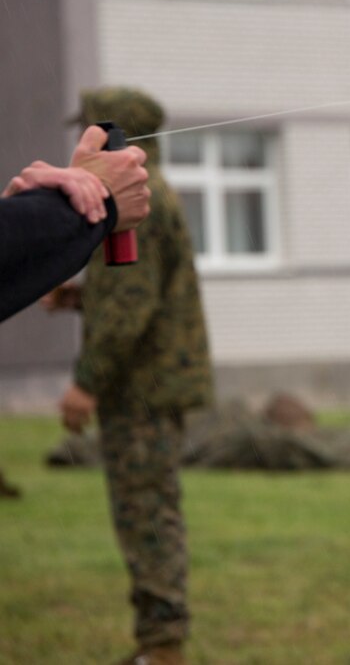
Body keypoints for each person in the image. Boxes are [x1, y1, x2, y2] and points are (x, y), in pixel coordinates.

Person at [56, 87, 213, 665]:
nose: (81, 144)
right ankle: (159, 643)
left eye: (93, 133)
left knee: (145, 512)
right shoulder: (151, 196)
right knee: (149, 506)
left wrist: (85, 384)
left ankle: (162, 648)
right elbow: (130, 291)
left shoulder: (135, 207)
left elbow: (128, 310)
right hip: (152, 383)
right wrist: (78, 298)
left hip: (142, 388)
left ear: (118, 136)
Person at [0, 124, 150, 322]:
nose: (78, 134)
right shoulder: (131, 191)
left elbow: (134, 300)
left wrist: (28, 211)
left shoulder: (137, 191)